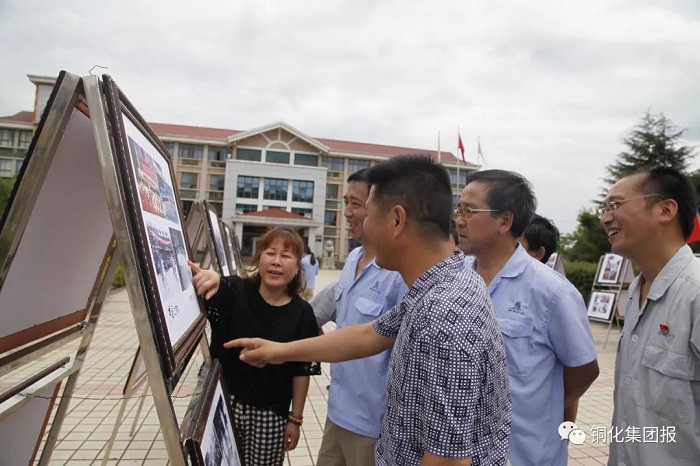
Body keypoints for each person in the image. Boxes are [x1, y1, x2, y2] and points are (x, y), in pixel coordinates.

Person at [229, 155, 511, 466]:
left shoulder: (445, 314)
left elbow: (447, 461)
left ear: (397, 220)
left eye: (369, 214)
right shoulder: (438, 284)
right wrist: (277, 351)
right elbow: (368, 335)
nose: (360, 222)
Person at [455, 169, 599, 466]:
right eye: (459, 209)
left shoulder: (551, 291)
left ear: (504, 220)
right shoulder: (454, 279)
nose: (459, 218)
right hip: (461, 451)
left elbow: (584, 369)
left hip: (522, 454)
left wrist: (541, 406)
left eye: (470, 210)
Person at [189, 227, 318, 466]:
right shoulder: (236, 291)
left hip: (270, 415)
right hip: (224, 404)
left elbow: (303, 370)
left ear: (298, 267)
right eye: (271, 253)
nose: (277, 262)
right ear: (259, 258)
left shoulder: (302, 314)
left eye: (286, 256)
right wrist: (213, 278)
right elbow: (218, 285)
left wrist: (295, 419)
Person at [600, 167, 700, 466]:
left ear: (666, 210)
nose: (606, 218)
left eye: (616, 205)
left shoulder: (694, 293)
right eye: (604, 209)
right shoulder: (637, 291)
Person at [311, 168, 407, 466]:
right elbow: (314, 312)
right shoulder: (353, 259)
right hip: (337, 411)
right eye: (345, 202)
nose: (347, 213)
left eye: (356, 203)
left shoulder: (399, 272)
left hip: (372, 425)